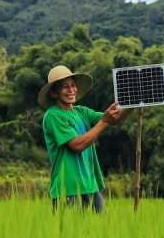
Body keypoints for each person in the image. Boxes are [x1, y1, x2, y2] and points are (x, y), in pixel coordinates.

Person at [38, 65, 132, 213]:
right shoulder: (53, 116)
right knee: (72, 235)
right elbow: (77, 145)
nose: (71, 90)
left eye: (73, 85)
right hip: (68, 189)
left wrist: (135, 103)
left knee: (101, 232)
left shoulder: (81, 112)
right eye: (65, 87)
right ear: (54, 93)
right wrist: (104, 121)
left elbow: (113, 118)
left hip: (90, 185)